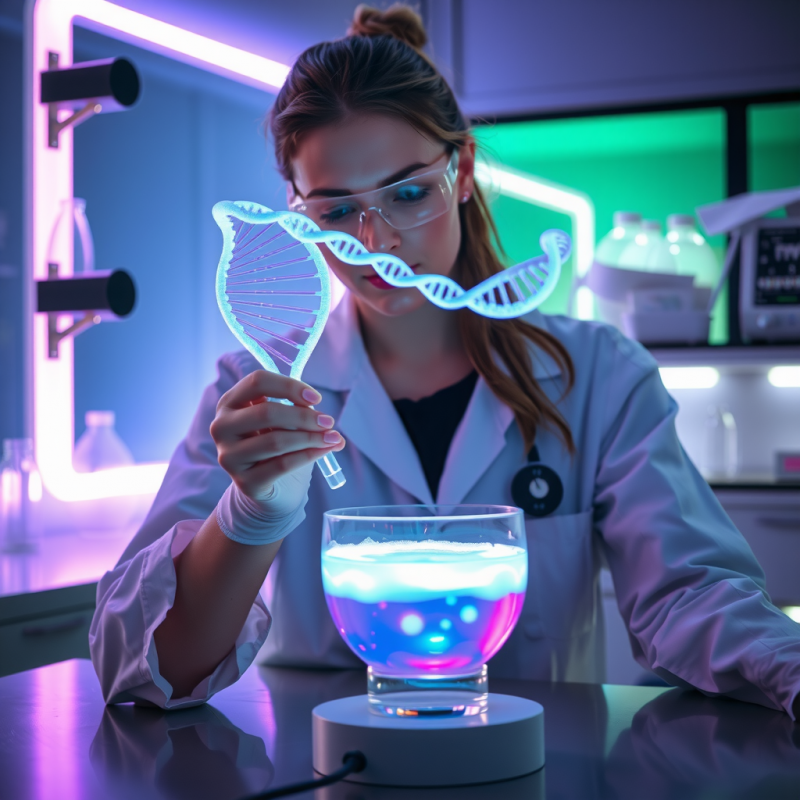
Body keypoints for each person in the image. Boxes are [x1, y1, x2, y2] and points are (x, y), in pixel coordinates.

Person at [89, 4, 800, 717]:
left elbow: (691, 593)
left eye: (407, 194)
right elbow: (134, 665)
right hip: (324, 766)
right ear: (295, 213)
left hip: (544, 763)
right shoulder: (257, 396)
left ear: (461, 173)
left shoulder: (599, 375)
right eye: (336, 211)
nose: (378, 244)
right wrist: (250, 517)